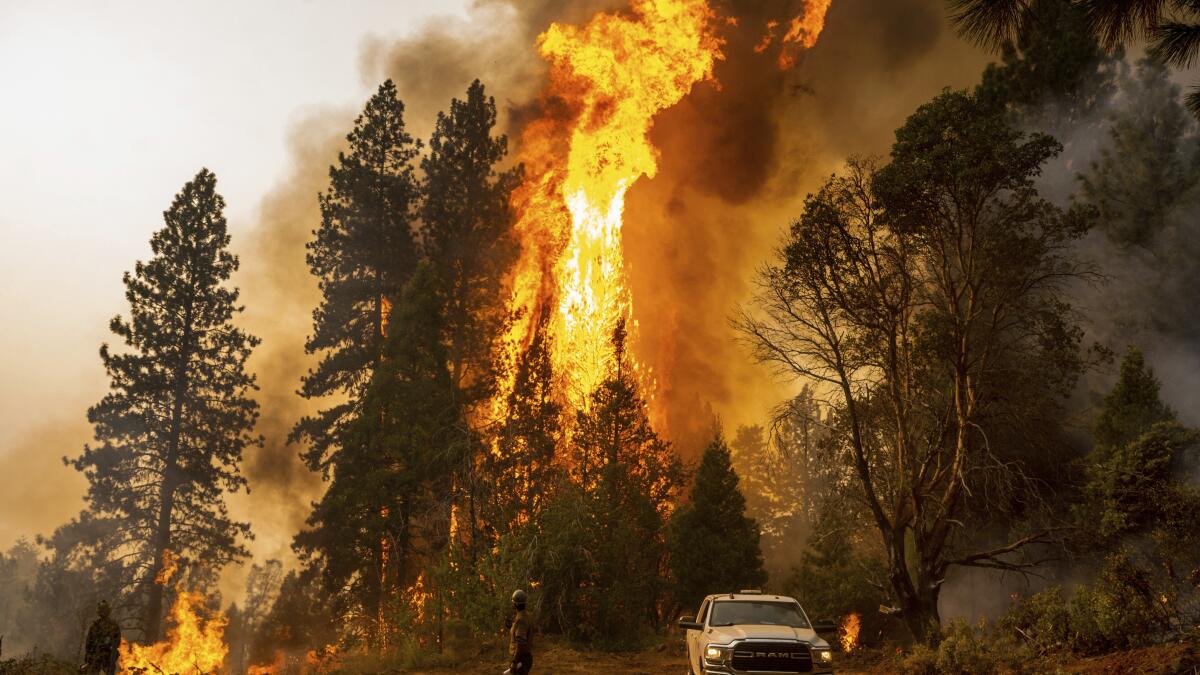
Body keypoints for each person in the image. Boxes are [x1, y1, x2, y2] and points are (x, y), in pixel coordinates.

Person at [81, 600, 121, 675]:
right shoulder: (95, 626)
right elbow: (89, 643)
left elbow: (117, 643)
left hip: (107, 657)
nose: (103, 612)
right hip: (95, 657)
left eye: (104, 610)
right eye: (101, 610)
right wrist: (87, 658)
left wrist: (111, 652)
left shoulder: (113, 626)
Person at [504, 589, 533, 675]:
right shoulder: (526, 616)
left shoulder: (520, 620)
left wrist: (515, 662)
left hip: (520, 658)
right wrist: (511, 627)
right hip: (524, 657)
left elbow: (520, 643)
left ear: (515, 604)